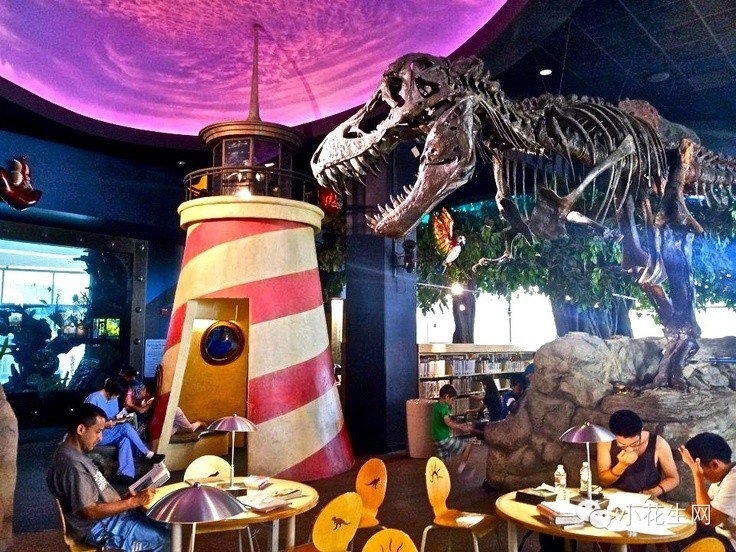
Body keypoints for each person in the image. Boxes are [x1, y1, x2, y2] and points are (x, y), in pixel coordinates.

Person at [47, 403, 170, 551]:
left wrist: (124, 499)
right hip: (98, 528)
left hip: (107, 518)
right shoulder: (72, 466)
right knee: (164, 540)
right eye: (98, 431)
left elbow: (94, 494)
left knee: (165, 523)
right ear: (81, 429)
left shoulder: (71, 452)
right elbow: (89, 511)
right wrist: (133, 502)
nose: (101, 438)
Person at [84, 378, 164, 485]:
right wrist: (105, 425)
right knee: (125, 427)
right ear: (110, 391)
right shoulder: (93, 399)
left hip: (109, 432)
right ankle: (147, 453)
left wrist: (121, 418)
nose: (117, 397)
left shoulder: (113, 398)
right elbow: (87, 424)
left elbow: (113, 416)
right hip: (96, 435)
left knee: (125, 439)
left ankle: (126, 474)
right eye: (116, 394)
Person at [596, 409, 679, 498]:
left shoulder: (658, 443)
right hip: (616, 497)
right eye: (622, 444)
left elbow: (673, 479)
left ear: (641, 431)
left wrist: (654, 491)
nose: (629, 449)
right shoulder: (606, 442)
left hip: (647, 499)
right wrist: (622, 465)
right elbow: (604, 481)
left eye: (634, 444)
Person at [675, 432, 736, 552]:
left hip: (732, 542)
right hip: (721, 535)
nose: (702, 475)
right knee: (674, 536)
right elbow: (700, 507)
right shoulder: (724, 476)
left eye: (699, 469)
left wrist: (697, 476)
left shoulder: (734, 480)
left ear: (714, 464)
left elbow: (708, 520)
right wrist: (675, 519)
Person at [431, 384, 475, 475]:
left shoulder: (436, 405)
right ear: (447, 397)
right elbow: (448, 422)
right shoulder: (444, 407)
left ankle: (436, 477)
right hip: (444, 439)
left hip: (436, 439)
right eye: (452, 400)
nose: (453, 402)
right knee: (467, 446)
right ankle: (462, 469)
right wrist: (462, 427)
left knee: (442, 463)